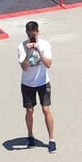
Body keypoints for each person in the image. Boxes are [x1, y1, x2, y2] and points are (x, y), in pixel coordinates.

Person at [18, 20, 55, 151]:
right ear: (26, 33)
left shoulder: (45, 45)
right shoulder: (22, 46)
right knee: (29, 110)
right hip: (27, 83)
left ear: (38, 32)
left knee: (46, 109)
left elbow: (48, 64)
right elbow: (24, 67)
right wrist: (29, 52)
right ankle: (30, 135)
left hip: (43, 82)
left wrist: (38, 50)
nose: (31, 37)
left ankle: (51, 139)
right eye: (29, 35)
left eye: (33, 35)